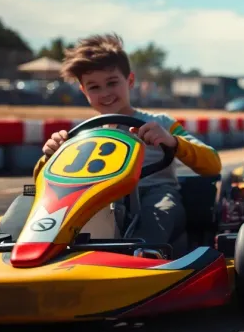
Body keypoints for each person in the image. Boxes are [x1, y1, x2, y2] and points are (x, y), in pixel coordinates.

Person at [33, 33, 222, 253]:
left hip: (154, 192)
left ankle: (143, 257)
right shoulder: (81, 135)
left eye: (112, 83)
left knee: (157, 215)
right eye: (94, 87)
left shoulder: (160, 123)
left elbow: (213, 163)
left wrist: (173, 142)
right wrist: (50, 156)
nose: (105, 93)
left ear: (130, 81)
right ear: (84, 91)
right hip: (98, 197)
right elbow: (44, 187)